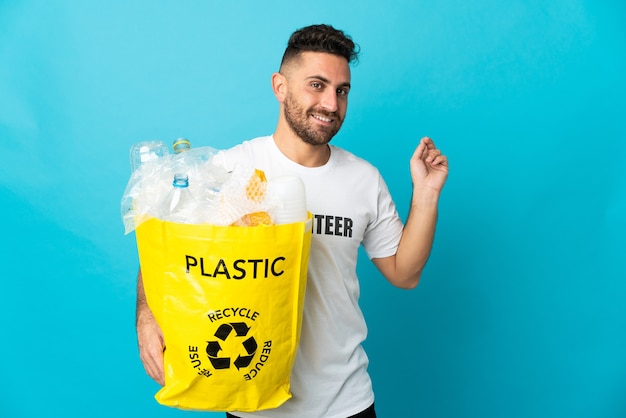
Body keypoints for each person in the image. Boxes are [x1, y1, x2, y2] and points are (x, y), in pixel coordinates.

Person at [135, 23, 448, 418]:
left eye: (342, 90)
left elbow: (405, 273)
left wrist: (426, 195)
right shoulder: (228, 170)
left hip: (346, 402)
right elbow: (166, 248)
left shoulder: (364, 179)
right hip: (252, 401)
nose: (331, 105)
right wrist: (147, 317)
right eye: (316, 85)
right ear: (279, 86)